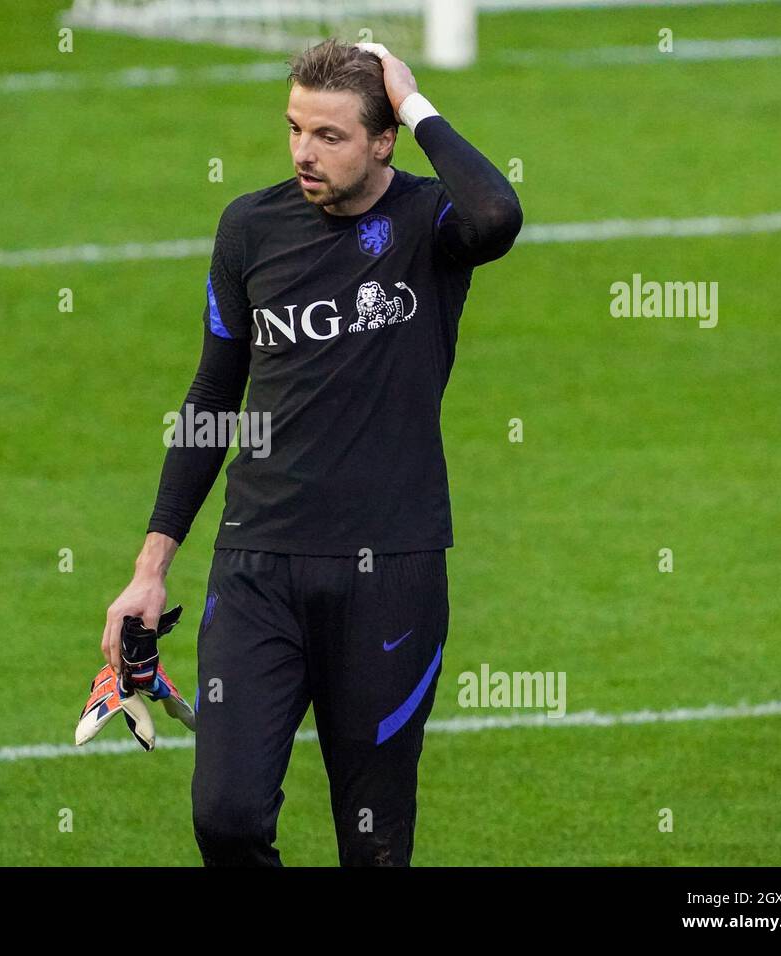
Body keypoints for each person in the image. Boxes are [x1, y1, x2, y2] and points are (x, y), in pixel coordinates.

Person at [102, 38, 523, 866]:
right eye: (295, 127)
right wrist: (151, 566)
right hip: (257, 567)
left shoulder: (431, 222)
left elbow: (498, 215)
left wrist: (414, 98)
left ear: (381, 140)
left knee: (373, 845)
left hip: (391, 575)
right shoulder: (249, 228)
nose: (303, 151)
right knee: (225, 817)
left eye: (330, 135)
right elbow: (213, 398)